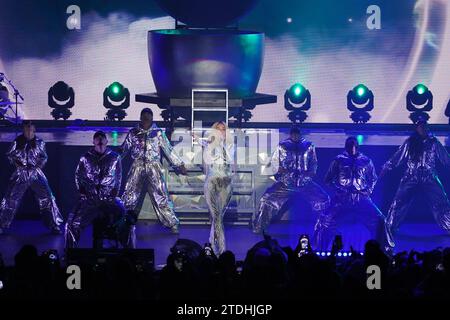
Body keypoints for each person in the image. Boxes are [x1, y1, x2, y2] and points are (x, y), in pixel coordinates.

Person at [380, 121, 450, 250]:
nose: (423, 129)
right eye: (420, 127)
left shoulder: (433, 142)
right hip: (411, 177)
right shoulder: (410, 142)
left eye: (425, 127)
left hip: (429, 176)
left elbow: (446, 158)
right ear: (417, 129)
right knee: (398, 204)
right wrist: (387, 167)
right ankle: (389, 233)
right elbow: (398, 157)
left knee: (442, 204)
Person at [121, 108, 187, 244]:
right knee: (130, 195)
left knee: (160, 195)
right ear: (140, 118)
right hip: (137, 167)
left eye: (148, 117)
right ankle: (123, 223)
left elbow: (168, 149)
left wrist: (179, 164)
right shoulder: (133, 133)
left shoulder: (158, 133)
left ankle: (172, 223)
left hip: (154, 167)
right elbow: (124, 149)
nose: (145, 119)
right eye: (143, 116)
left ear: (151, 118)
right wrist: (113, 160)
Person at [252, 126, 330, 234]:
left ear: (300, 134)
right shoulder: (282, 146)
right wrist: (279, 172)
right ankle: (259, 227)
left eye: (297, 134)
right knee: (266, 199)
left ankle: (324, 228)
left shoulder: (308, 146)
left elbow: (314, 164)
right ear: (290, 134)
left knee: (324, 199)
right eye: (293, 134)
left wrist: (308, 176)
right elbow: (274, 163)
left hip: (305, 184)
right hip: (286, 184)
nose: (295, 136)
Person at [313, 137, 386, 250]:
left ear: (357, 146)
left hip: (361, 197)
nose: (352, 148)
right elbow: (328, 180)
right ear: (346, 146)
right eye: (350, 145)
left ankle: (382, 250)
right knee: (324, 220)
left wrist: (368, 191)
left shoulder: (366, 160)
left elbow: (373, 178)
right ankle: (319, 250)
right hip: (342, 198)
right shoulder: (338, 160)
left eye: (354, 145)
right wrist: (339, 189)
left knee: (380, 219)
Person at [65, 131, 132, 248]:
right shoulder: (85, 158)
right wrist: (81, 190)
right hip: (90, 198)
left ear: (106, 141)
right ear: (93, 142)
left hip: (109, 198)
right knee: (72, 223)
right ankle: (70, 252)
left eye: (102, 138)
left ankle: (129, 250)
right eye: (97, 138)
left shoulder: (115, 158)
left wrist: (115, 191)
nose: (100, 140)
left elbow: (118, 176)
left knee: (127, 220)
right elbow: (78, 175)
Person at [0, 121, 63, 234]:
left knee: (48, 198)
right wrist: (18, 164)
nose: (28, 130)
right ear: (23, 130)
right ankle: (2, 224)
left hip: (36, 174)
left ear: (34, 130)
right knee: (10, 199)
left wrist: (37, 166)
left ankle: (54, 224)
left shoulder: (39, 142)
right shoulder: (17, 142)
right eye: (26, 128)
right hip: (21, 174)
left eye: (30, 128)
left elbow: (44, 157)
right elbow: (9, 155)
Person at [193, 121, 235, 256]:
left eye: (223, 130)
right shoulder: (209, 144)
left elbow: (229, 159)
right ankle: (221, 251)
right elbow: (201, 142)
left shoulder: (230, 146)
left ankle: (211, 244)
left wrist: (221, 142)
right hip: (211, 182)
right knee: (216, 216)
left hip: (225, 184)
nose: (220, 132)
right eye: (218, 129)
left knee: (218, 217)